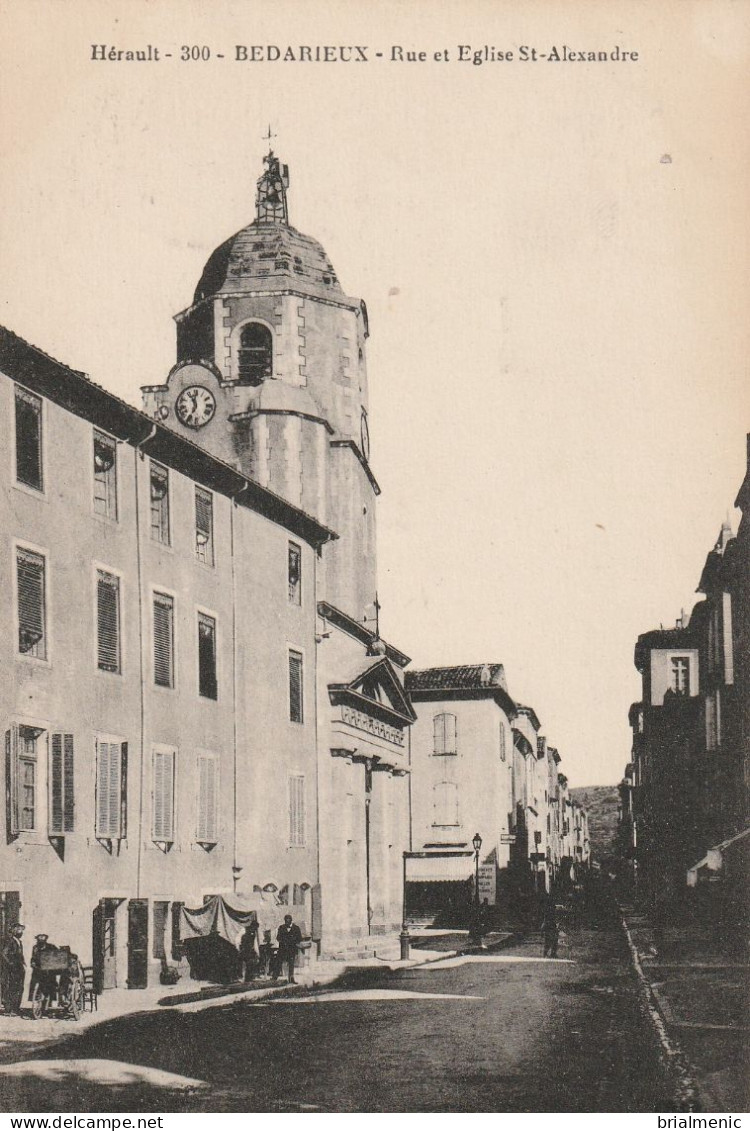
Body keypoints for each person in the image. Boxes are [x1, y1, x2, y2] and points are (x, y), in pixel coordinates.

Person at [1, 923, 26, 1015]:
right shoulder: (11, 941)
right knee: (12, 987)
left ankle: (16, 1008)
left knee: (19, 987)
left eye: (21, 930)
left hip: (19, 967)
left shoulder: (19, 942)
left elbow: (20, 954)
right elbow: (3, 953)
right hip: (13, 968)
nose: (21, 932)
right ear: (14, 931)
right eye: (19, 930)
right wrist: (10, 963)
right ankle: (10, 1009)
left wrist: (23, 962)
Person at [273, 915, 302, 984]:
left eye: (288, 920)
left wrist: (292, 941)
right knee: (279, 962)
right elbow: (278, 938)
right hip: (283, 949)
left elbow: (299, 939)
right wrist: (284, 941)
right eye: (286, 920)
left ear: (291, 920)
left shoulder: (296, 928)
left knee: (291, 965)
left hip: (291, 949)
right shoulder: (281, 927)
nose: (287, 922)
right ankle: (274, 977)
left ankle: (291, 978)